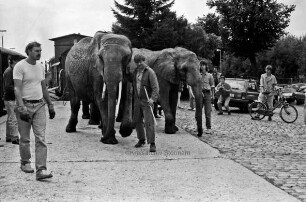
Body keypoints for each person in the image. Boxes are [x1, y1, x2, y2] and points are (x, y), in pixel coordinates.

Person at [13, 41, 56, 180]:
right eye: (36, 50)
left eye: (40, 50)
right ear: (29, 51)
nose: (39, 53)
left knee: (41, 138)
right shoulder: (20, 66)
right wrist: (21, 107)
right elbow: (17, 88)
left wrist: (50, 104)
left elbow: (43, 87)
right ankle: (25, 162)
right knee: (25, 138)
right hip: (24, 105)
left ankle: (41, 170)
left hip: (39, 106)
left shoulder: (40, 67)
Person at [131, 54, 159, 152]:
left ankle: (152, 143)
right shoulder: (135, 72)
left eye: (141, 61)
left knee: (149, 122)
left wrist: (153, 99)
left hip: (147, 101)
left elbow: (155, 87)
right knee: (137, 121)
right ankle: (141, 139)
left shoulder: (150, 72)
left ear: (144, 61)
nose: (139, 64)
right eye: (137, 62)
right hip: (137, 100)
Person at [3, 55, 23, 145]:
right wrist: (17, 90)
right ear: (14, 61)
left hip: (9, 98)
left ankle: (8, 136)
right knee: (13, 118)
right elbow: (8, 86)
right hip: (10, 98)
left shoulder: (10, 70)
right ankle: (14, 138)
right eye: (18, 61)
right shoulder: (10, 71)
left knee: (10, 118)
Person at [199, 60, 215, 136]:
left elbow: (212, 86)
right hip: (199, 93)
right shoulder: (198, 75)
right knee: (198, 111)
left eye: (203, 65)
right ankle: (199, 126)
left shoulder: (210, 76)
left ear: (206, 66)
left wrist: (213, 96)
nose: (202, 66)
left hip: (207, 93)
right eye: (201, 65)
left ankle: (209, 128)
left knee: (207, 112)